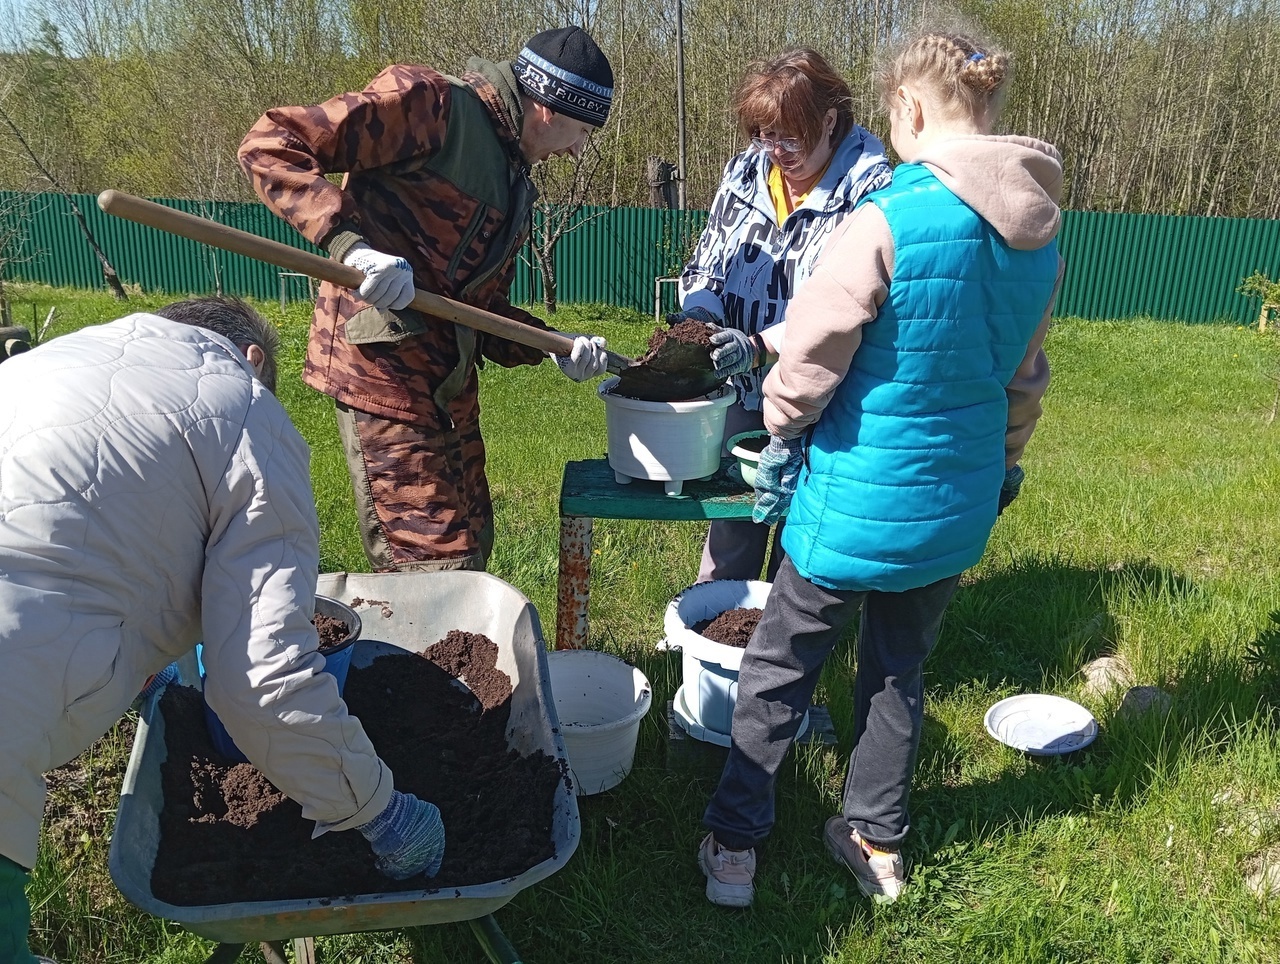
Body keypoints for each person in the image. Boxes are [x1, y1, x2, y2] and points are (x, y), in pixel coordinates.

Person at [696, 27, 1066, 907]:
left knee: (781, 667)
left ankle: (736, 847)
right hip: (958, 504)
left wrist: (782, 441)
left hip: (854, 504)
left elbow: (811, 358)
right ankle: (878, 842)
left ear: (905, 108)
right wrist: (1005, 464)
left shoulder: (886, 218)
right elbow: (1026, 374)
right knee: (898, 669)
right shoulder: (1038, 233)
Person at [0, 299, 445, 964]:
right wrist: (384, 815)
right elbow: (264, 682)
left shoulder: (65, 359)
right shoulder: (243, 409)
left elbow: (105, 528)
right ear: (253, 362)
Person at [239, 26, 614, 574]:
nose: (579, 149)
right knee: (431, 566)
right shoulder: (433, 108)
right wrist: (352, 248)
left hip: (449, 385)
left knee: (475, 545)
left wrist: (556, 346)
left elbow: (480, 311)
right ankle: (409, 659)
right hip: (384, 374)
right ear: (548, 110)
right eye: (582, 131)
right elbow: (273, 142)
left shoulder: (513, 179)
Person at [667, 47, 891, 584]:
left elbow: (847, 304)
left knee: (803, 535)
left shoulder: (870, 189)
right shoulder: (747, 170)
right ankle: (716, 629)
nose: (775, 151)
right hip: (741, 386)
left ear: (830, 121)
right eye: (764, 135)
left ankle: (785, 650)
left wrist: (761, 343)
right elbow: (706, 264)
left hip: (820, 393)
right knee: (735, 519)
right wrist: (702, 321)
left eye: (789, 137)